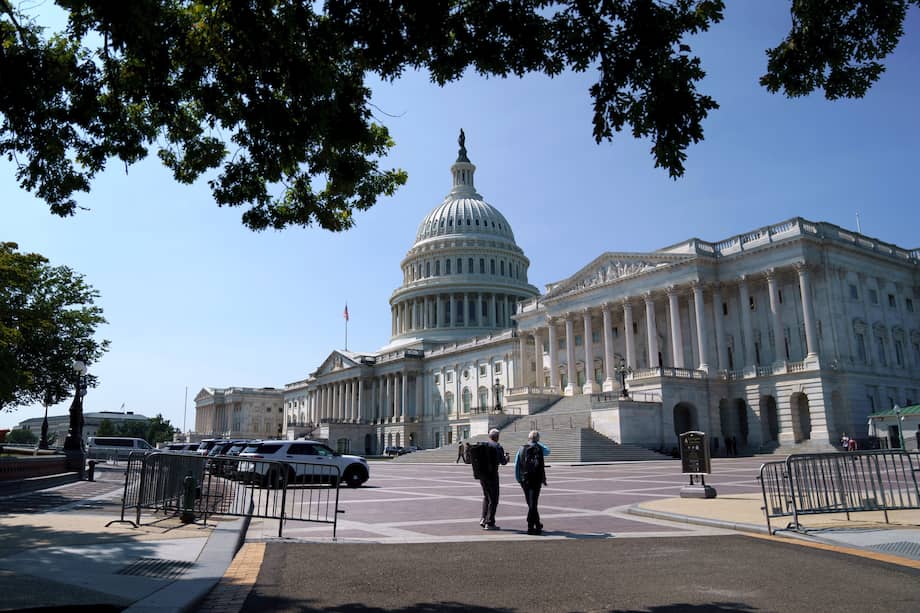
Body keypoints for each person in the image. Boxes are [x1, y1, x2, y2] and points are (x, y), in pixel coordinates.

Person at [515, 430, 550, 535]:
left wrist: (518, 478)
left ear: (528, 438)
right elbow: (548, 451)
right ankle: (531, 526)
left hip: (524, 479)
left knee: (531, 503)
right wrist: (537, 442)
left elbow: (517, 464)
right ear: (538, 439)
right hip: (536, 479)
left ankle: (537, 524)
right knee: (533, 503)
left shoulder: (521, 448)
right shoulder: (539, 448)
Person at [478, 428, 508, 530]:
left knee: (486, 497)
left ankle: (483, 518)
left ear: (489, 436)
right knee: (494, 499)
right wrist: (506, 458)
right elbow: (503, 462)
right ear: (497, 437)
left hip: (482, 475)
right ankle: (490, 522)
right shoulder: (497, 447)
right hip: (492, 475)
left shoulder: (483, 445)